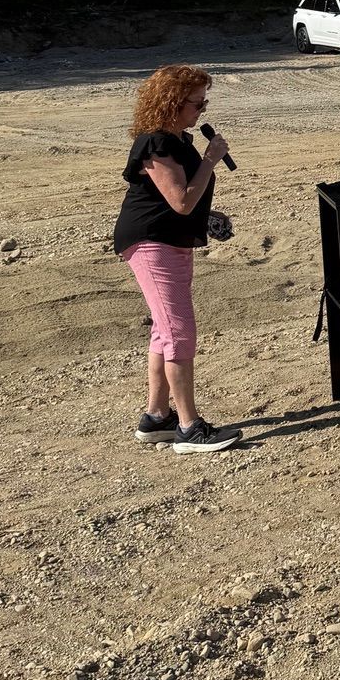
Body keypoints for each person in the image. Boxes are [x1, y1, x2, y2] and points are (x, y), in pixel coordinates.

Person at [114, 65, 242, 454]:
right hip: (151, 243)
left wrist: (209, 215)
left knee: (164, 330)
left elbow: (180, 201)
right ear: (172, 102)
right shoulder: (155, 143)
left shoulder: (177, 140)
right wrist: (210, 160)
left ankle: (157, 417)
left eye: (205, 102)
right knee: (179, 332)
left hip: (169, 239)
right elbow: (181, 201)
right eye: (197, 103)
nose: (202, 109)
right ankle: (189, 428)